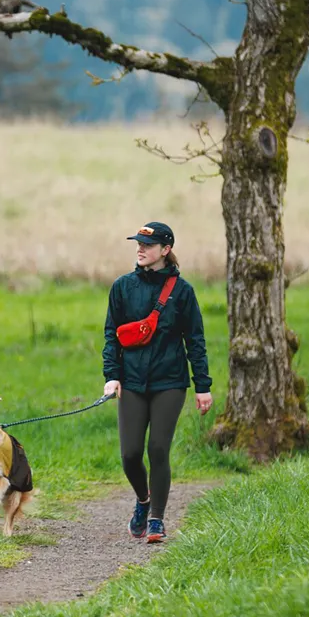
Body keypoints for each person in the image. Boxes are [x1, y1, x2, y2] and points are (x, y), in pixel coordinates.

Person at [102, 221, 212, 544]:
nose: (140, 249)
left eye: (147, 246)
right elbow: (112, 336)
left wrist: (202, 385)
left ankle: (156, 521)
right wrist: (112, 376)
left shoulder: (183, 292)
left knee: (158, 448)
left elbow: (196, 340)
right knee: (131, 455)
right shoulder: (122, 288)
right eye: (137, 244)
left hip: (170, 382)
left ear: (165, 250)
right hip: (132, 382)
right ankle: (143, 500)